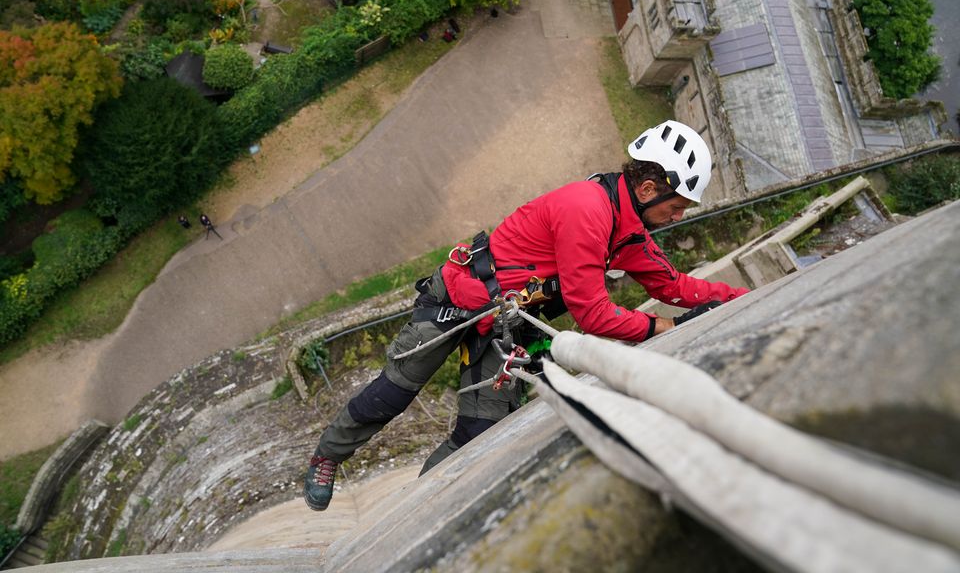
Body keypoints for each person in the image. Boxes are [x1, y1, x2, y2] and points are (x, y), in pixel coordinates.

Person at [302, 121, 749, 511]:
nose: (675, 217)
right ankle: (328, 456)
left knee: (479, 432)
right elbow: (592, 313)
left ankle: (418, 506)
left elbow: (673, 285)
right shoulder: (587, 209)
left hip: (505, 321)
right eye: (675, 206)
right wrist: (665, 326)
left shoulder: (629, 231)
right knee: (394, 392)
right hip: (459, 298)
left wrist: (739, 298)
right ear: (649, 189)